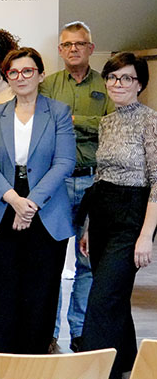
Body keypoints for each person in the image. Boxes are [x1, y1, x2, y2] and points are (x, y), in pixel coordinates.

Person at [0, 47, 76, 354]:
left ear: (40, 75)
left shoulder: (58, 111)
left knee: (41, 290)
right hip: (3, 205)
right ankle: (2, 362)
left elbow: (64, 162)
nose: (20, 77)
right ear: (6, 77)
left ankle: (34, 362)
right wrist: (13, 200)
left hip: (47, 208)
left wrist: (29, 204)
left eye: (27, 71)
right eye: (13, 72)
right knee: (2, 290)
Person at [81, 52, 154, 379]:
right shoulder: (107, 121)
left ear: (140, 83)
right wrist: (88, 227)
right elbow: (102, 176)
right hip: (103, 211)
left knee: (101, 297)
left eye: (126, 78)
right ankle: (127, 371)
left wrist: (146, 236)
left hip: (133, 214)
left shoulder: (150, 121)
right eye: (112, 77)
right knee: (116, 298)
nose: (117, 84)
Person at [39, 21, 113, 354]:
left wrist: (73, 122)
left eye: (80, 44)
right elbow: (44, 128)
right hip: (55, 182)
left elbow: (111, 127)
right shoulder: (49, 85)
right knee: (50, 261)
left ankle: (81, 332)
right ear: (60, 49)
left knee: (88, 261)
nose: (73, 49)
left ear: (90, 48)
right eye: (67, 44)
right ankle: (49, 333)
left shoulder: (107, 84)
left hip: (93, 181)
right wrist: (81, 127)